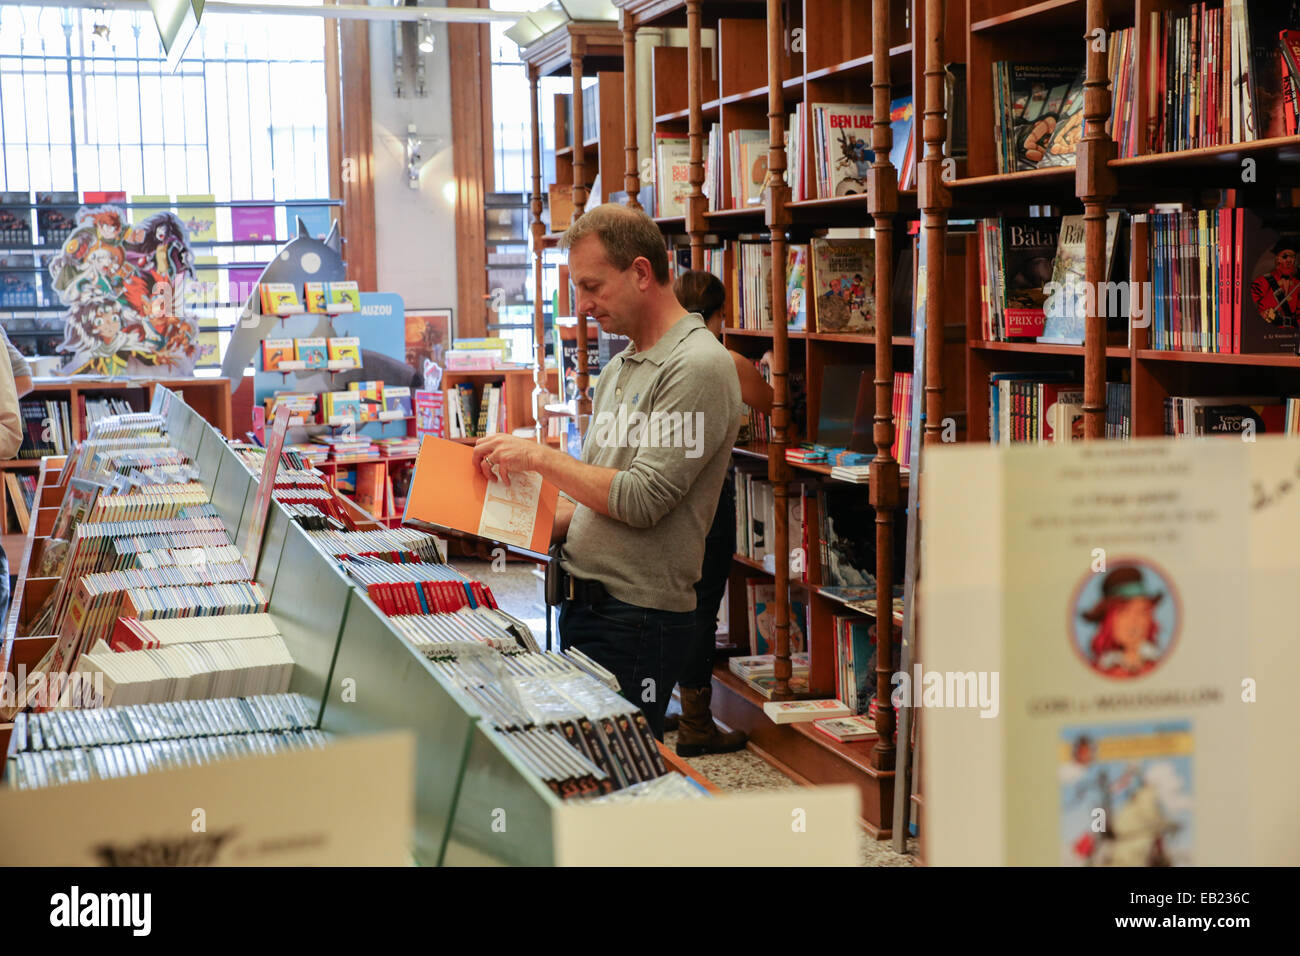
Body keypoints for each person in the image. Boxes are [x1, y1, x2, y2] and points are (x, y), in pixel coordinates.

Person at [472, 204, 742, 739]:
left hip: (636, 617)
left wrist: (538, 456)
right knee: (583, 775)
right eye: (578, 288)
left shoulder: (697, 366)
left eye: (592, 286)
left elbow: (642, 500)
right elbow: (596, 498)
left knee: (611, 780)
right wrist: (488, 520)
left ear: (641, 272)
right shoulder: (620, 367)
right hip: (585, 605)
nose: (584, 305)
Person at [669, 270, 774, 755]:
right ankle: (696, 725)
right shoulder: (724, 359)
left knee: (676, 605)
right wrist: (768, 365)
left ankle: (670, 707)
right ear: (719, 315)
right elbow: (773, 404)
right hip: (711, 500)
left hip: (668, 502)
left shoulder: (664, 357)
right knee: (702, 611)